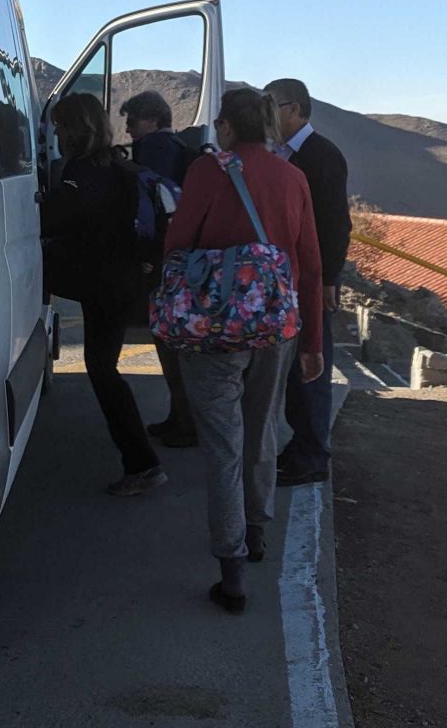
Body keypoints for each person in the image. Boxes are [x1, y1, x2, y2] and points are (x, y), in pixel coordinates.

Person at [164, 88, 323, 612]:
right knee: (263, 431)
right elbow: (311, 265)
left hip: (212, 330)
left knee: (223, 444)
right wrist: (313, 341)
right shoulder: (293, 178)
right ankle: (256, 534)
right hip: (278, 328)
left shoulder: (208, 173)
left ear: (227, 127)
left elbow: (178, 245)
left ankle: (231, 568)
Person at [42, 93, 167, 496]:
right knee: (103, 368)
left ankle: (143, 464)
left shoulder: (82, 171)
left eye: (61, 125)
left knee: (102, 370)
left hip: (104, 286)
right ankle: (141, 462)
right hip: (121, 282)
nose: (57, 132)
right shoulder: (116, 162)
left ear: (75, 128)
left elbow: (59, 220)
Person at [264, 78, 352, 487]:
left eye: (273, 106)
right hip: (288, 279)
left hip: (311, 281)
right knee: (294, 372)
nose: (267, 115)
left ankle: (313, 455)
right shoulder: (281, 155)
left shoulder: (321, 156)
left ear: (296, 109)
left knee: (311, 369)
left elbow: (336, 224)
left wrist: (329, 279)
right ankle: (301, 447)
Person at [119, 90, 197, 447]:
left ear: (150, 120)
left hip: (161, 261)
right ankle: (180, 416)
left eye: (132, 121)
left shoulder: (153, 151)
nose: (128, 129)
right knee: (175, 344)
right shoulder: (180, 149)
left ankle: (185, 421)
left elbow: (146, 212)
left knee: (169, 344)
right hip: (180, 258)